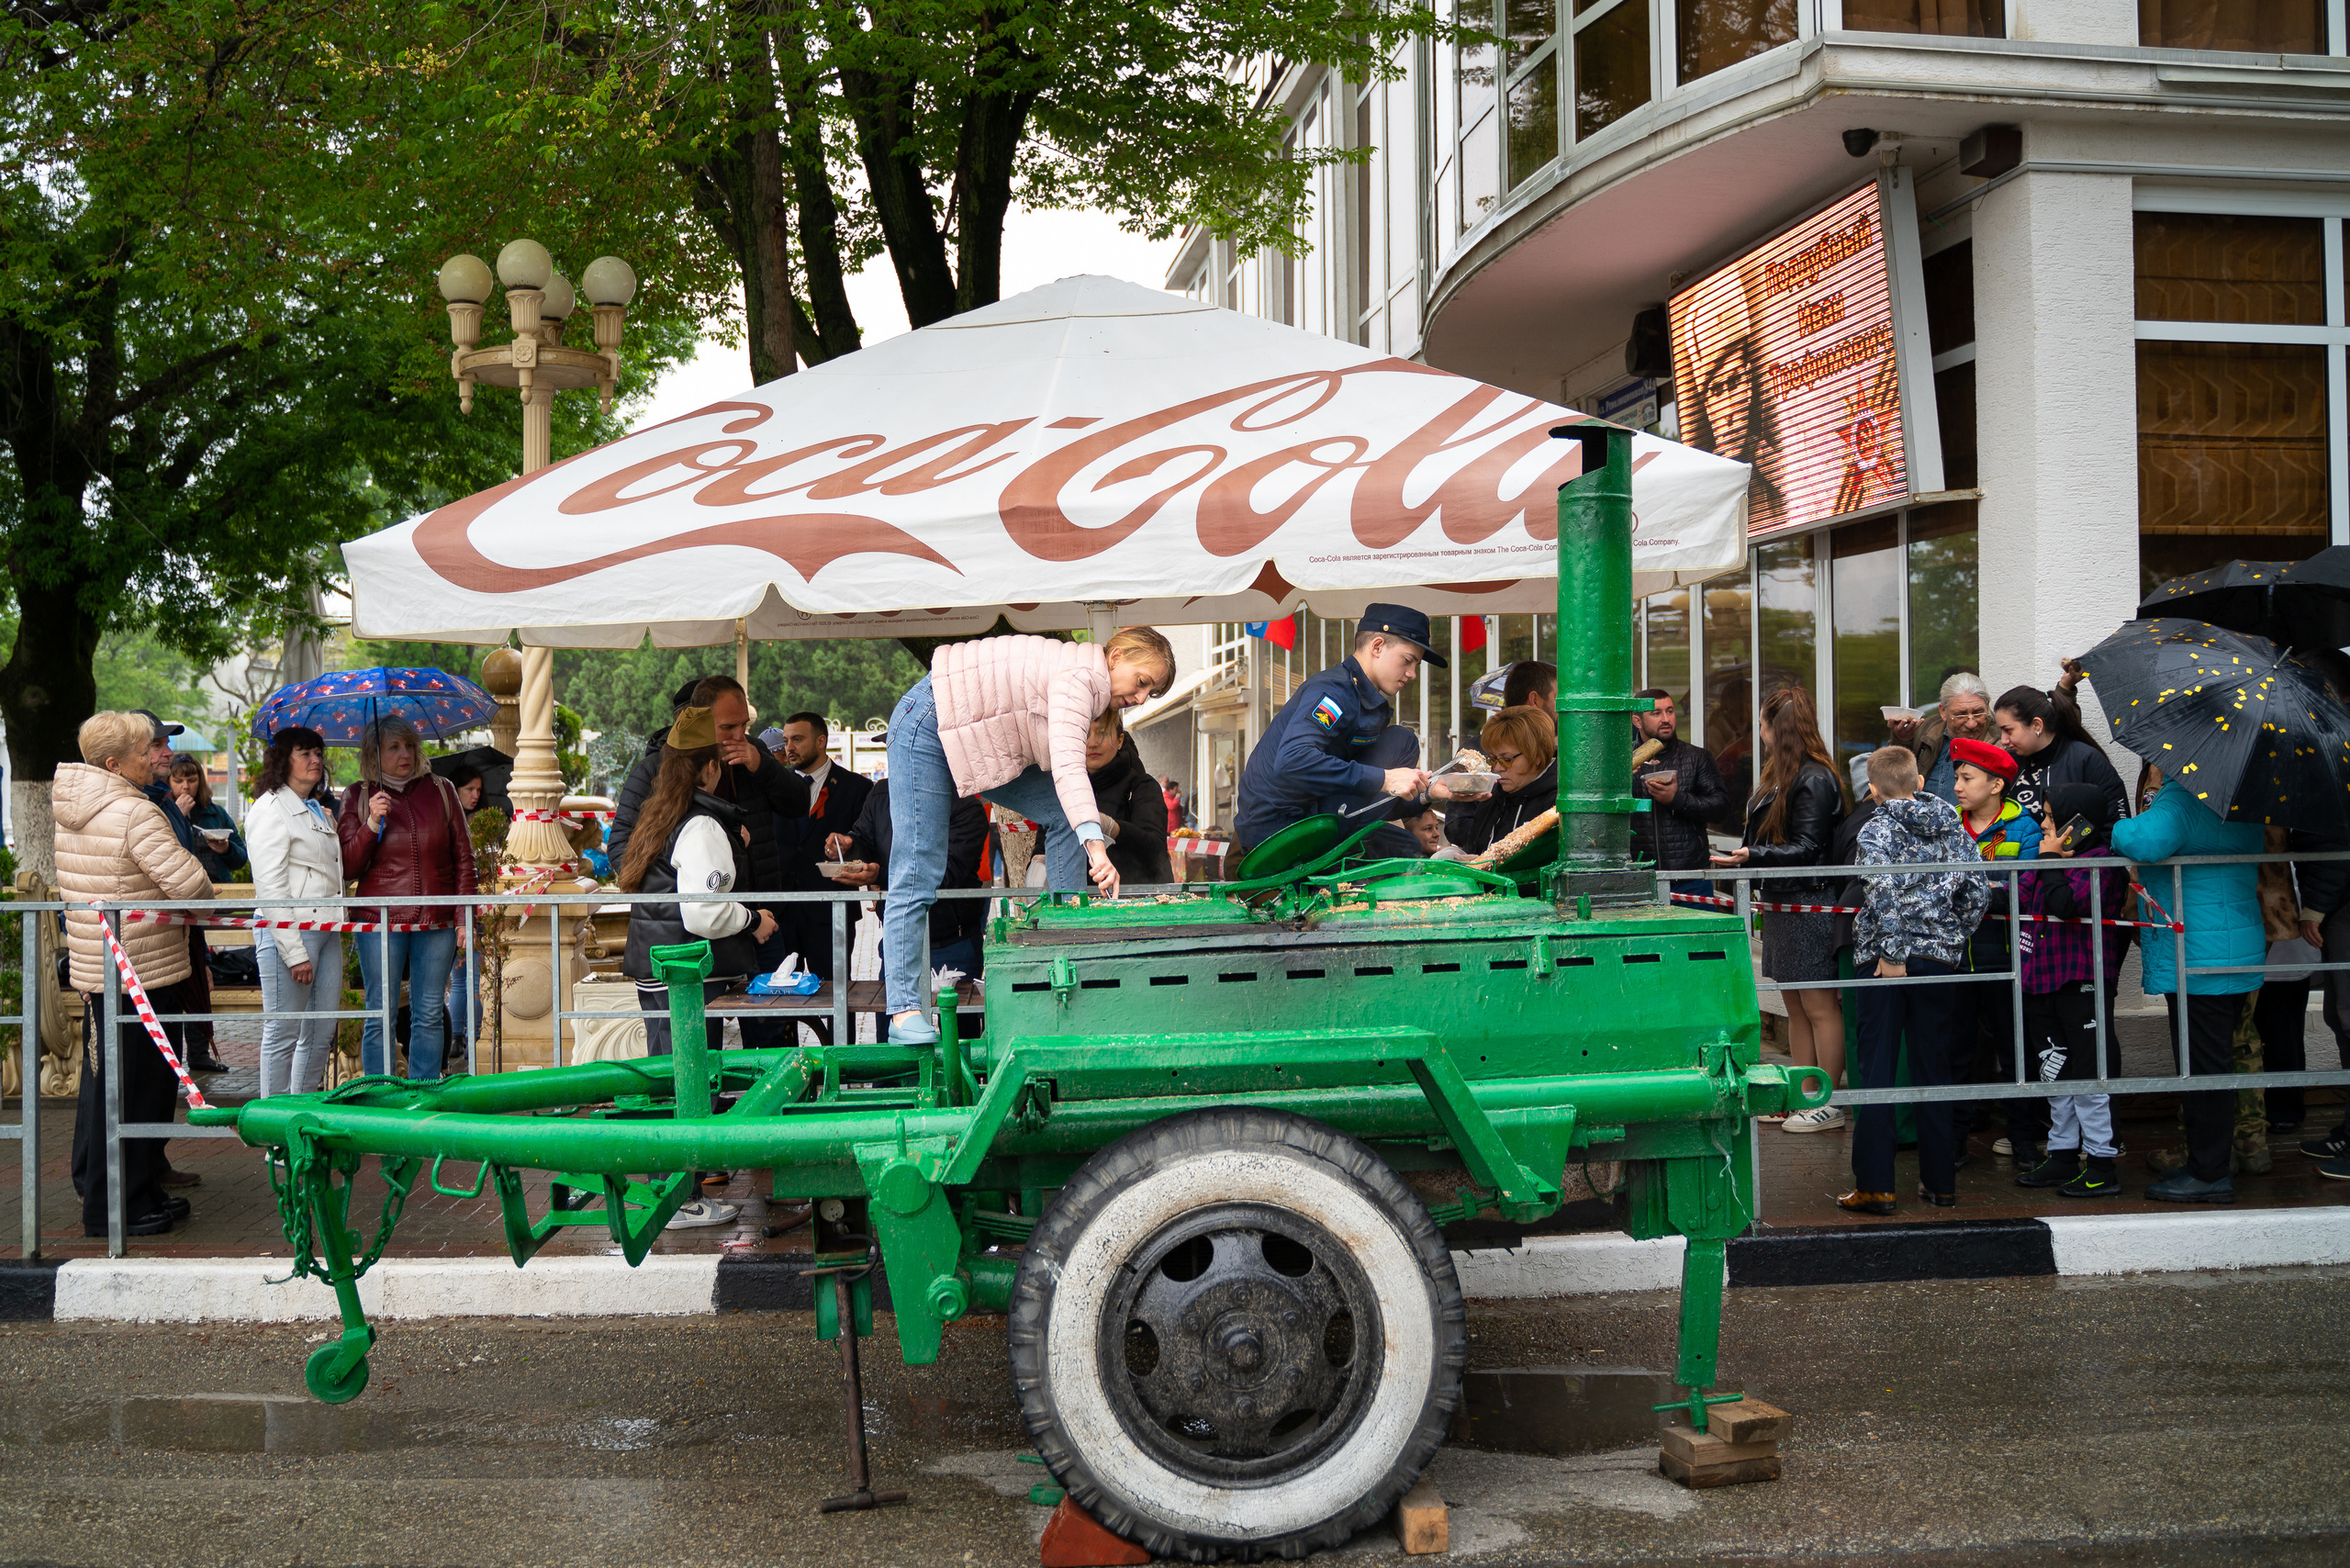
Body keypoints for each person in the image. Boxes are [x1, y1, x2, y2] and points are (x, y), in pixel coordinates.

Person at [882, 626, 1175, 1044]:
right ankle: (904, 1011)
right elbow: (1070, 767)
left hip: (975, 733)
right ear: (1116, 657)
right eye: (1142, 682)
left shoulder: (1085, 680)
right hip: (928, 722)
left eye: (1152, 692)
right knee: (917, 869)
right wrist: (1098, 850)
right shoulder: (1081, 677)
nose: (1142, 697)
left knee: (1062, 816)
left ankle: (1065, 955)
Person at [614, 705, 771, 1231]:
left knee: (669, 1077)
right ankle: (681, 1197)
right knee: (688, 1082)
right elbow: (703, 913)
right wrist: (753, 919)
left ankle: (673, 1191)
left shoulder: (660, 812)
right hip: (685, 971)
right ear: (709, 767)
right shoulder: (702, 823)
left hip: (656, 963)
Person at [58, 711, 214, 1237]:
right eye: (145, 750)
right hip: (142, 967)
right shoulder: (133, 811)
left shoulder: (75, 806)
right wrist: (203, 885)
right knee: (139, 1089)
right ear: (114, 763)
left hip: (103, 965)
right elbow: (189, 884)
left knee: (116, 1085)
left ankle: (137, 1190)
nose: (155, 757)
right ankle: (118, 1206)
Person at [610, 676, 810, 1048]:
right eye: (727, 727)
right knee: (693, 1050)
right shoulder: (655, 769)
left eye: (743, 726)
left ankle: (770, 1087)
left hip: (758, 920)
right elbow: (622, 848)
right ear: (699, 720)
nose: (738, 736)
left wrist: (763, 766)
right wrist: (678, 888)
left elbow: (799, 804)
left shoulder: (753, 754)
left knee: (770, 1030)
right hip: (694, 937)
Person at [1839, 746, 1990, 1215]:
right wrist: (1951, 938)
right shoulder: (1952, 825)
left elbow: (1880, 891)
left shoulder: (1876, 828)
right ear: (1920, 781)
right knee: (1934, 1067)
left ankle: (1876, 1186)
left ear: (1873, 790)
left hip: (1884, 960)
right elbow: (1978, 891)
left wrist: (1892, 952)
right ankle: (1940, 1183)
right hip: (1938, 959)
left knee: (1877, 1071)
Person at [2110, 768, 2265, 1203]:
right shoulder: (2241, 792)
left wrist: (2117, 824)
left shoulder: (2187, 794)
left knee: (2203, 1067)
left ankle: (2209, 1173)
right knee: (2212, 1062)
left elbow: (2143, 841)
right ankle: (2206, 1162)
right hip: (2230, 946)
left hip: (2200, 952)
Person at [1714, 686, 1848, 1133]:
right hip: (1784, 899)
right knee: (1795, 1004)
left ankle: (1825, 1101)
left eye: (1762, 723)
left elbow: (1809, 847)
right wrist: (1752, 857)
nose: (1759, 731)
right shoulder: (1784, 773)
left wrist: (1753, 856)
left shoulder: (1814, 778)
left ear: (1777, 728)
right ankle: (1799, 1094)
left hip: (1809, 901)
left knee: (1819, 1005)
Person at [1234, 604, 1453, 851]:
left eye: (1416, 665)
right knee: (1402, 742)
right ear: (1377, 646)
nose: (1412, 674)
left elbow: (1369, 802)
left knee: (1405, 844)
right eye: (1407, 661)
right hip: (1279, 827)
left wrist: (1429, 793)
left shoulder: (1360, 697)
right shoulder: (1335, 692)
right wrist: (1385, 778)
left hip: (1305, 815)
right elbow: (1292, 759)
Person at [338, 714, 477, 1081]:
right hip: (378, 918)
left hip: (437, 917)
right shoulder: (358, 795)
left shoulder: (442, 790)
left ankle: (422, 1092)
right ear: (374, 754)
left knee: (429, 1011)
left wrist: (464, 917)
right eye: (394, 747)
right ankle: (382, 1094)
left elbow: (464, 858)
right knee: (379, 1011)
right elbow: (348, 866)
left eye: (410, 746)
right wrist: (371, 823)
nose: (406, 754)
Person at [2014, 782, 2132, 1199]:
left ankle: (2101, 1162)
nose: (2044, 823)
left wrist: (2050, 862)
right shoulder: (2046, 858)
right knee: (2055, 1069)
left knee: (2089, 1072)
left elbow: (2066, 906)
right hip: (2040, 977)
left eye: (2051, 816)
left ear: (2078, 823)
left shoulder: (2100, 864)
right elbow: (2020, 895)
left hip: (2080, 981)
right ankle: (2062, 1153)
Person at [245, 727, 345, 1098]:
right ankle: (273, 1121)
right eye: (305, 753)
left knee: (321, 1031)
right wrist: (293, 951)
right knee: (283, 1031)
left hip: (327, 928)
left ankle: (303, 1111)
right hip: (291, 931)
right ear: (283, 761)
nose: (315, 760)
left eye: (318, 752)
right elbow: (270, 887)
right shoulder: (270, 808)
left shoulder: (314, 808)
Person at [129, 713, 229, 1075]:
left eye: (167, 743)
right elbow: (181, 879)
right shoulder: (140, 806)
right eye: (157, 745)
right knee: (141, 1070)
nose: (168, 752)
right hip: (144, 948)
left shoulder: (177, 805)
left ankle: (198, 1054)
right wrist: (202, 893)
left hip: (180, 932)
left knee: (160, 1076)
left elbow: (237, 856)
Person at [829, 780, 994, 982]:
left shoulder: (965, 805)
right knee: (891, 1002)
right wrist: (849, 847)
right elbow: (863, 839)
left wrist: (880, 875)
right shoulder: (882, 792)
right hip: (898, 938)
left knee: (955, 1003)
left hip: (952, 940)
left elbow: (950, 874)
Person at [772, 711, 873, 985]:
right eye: (786, 741)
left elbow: (869, 843)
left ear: (821, 741)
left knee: (836, 994)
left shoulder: (857, 788)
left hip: (832, 911)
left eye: (797, 739)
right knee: (779, 994)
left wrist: (849, 847)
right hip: (782, 911)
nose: (789, 748)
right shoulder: (774, 788)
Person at [1628, 689, 1728, 888]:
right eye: (1656, 713)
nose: (1666, 719)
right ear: (1637, 721)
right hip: (1638, 878)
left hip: (1690, 877)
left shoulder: (1697, 757)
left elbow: (1721, 808)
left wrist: (1676, 799)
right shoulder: (1624, 761)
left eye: (1670, 711)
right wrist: (1620, 784)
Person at [1996, 684, 2127, 827]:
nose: (2003, 741)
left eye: (2008, 731)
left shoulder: (2086, 760)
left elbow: (2117, 826)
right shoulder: (2009, 760)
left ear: (2037, 725)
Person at [1445, 706, 1558, 857]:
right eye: (1493, 759)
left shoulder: (1557, 803)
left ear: (1537, 755)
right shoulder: (1493, 797)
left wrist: (1487, 865)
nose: (1497, 768)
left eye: (1506, 759)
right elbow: (1474, 848)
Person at [1084, 708, 1173, 885]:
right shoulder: (1061, 791)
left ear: (1120, 740)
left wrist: (1113, 828)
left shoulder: (1142, 786)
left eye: (1102, 733)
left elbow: (1156, 849)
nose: (1092, 743)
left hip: (1138, 896)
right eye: (1084, 734)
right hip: (1077, 898)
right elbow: (1044, 846)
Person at [1891, 671, 1993, 808]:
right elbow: (1894, 776)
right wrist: (1902, 741)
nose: (1971, 724)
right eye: (1960, 715)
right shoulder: (1926, 729)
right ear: (1943, 712)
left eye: (1978, 713)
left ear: (1987, 706)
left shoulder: (2000, 742)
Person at [167, 756, 247, 882]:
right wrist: (176, 815)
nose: (186, 786)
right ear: (168, 782)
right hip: (183, 887)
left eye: (192, 780)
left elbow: (241, 858)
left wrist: (227, 849)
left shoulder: (216, 813)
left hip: (219, 886)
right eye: (178, 781)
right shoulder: (160, 812)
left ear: (200, 782)